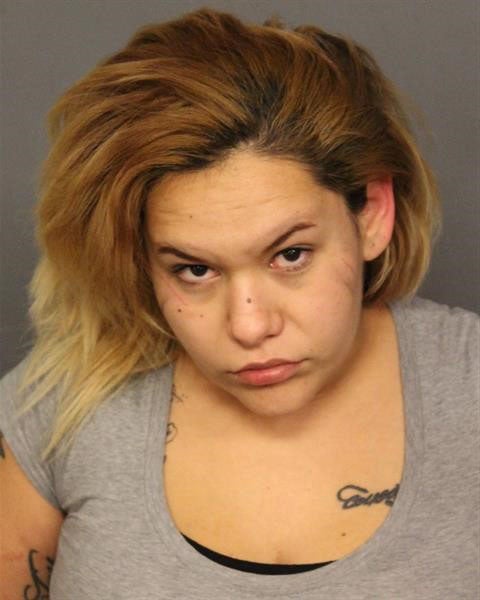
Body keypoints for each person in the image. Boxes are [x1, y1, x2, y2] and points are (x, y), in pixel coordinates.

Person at [0, 7, 478, 599]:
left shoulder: (470, 387)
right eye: (195, 270)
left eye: (291, 255)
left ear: (373, 215)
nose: (249, 325)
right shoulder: (64, 406)